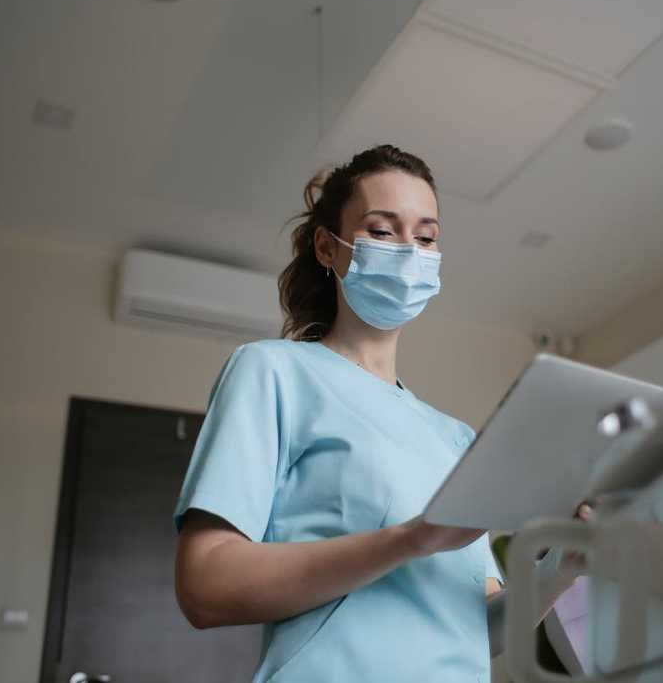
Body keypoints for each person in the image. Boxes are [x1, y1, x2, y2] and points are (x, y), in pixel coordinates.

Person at [172, 144, 582, 683]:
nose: (410, 252)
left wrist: (561, 571)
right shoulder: (273, 372)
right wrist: (412, 538)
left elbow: (474, 627)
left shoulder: (456, 439)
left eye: (427, 237)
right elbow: (205, 586)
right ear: (327, 247)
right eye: (384, 232)